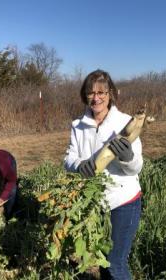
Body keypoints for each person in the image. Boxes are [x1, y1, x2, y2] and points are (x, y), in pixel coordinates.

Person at [64, 69, 143, 279]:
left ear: (110, 94)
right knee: (103, 262)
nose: (96, 98)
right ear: (85, 95)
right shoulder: (77, 126)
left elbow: (137, 168)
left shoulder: (125, 123)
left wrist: (128, 156)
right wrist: (79, 165)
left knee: (115, 264)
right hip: (94, 204)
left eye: (101, 92)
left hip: (124, 200)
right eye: (91, 93)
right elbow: (68, 158)